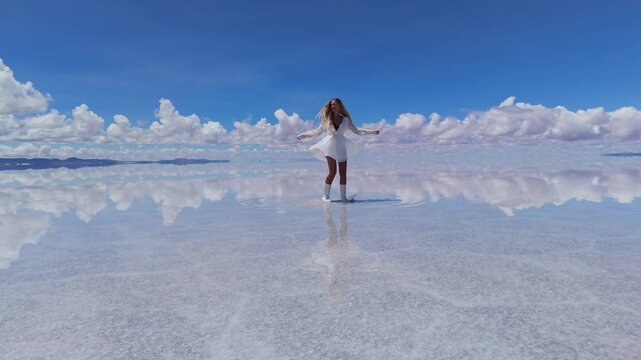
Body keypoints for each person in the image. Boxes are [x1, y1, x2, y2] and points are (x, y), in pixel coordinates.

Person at [296, 98, 381, 202]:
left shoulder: (346, 120)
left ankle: (343, 198)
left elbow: (357, 131)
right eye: (331, 105)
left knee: (343, 173)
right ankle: (326, 196)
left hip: (341, 146)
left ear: (339, 106)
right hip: (328, 146)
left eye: (334, 105)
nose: (332, 106)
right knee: (332, 172)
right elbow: (317, 132)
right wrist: (303, 135)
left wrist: (372, 132)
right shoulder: (327, 119)